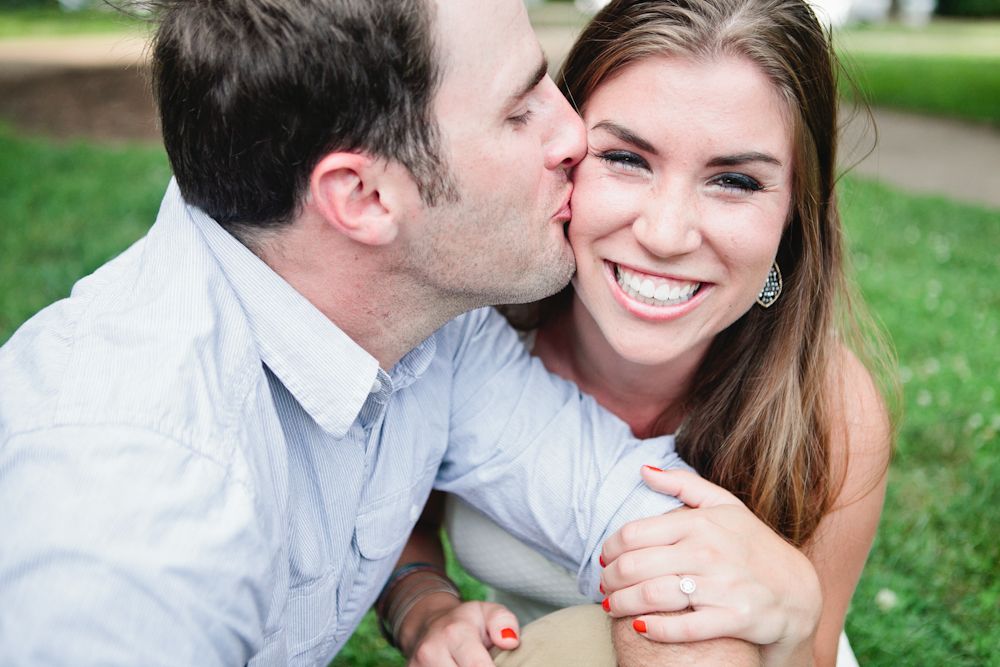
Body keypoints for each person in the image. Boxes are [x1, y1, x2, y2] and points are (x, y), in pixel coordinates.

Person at [0, 1, 765, 665]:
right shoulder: (138, 501)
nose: (575, 135)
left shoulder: (431, 319)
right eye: (519, 106)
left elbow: (655, 533)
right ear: (363, 197)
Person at [391, 0, 893, 665]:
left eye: (734, 180)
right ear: (563, 152)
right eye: (627, 158)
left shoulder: (831, 405)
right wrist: (424, 604)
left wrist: (798, 608)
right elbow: (402, 519)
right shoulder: (473, 331)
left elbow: (812, 652)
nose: (664, 233)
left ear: (792, 216)